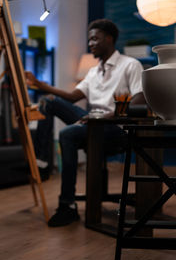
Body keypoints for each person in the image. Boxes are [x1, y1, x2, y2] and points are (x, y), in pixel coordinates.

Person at [25, 18, 146, 227]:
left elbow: (139, 100)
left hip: (116, 129)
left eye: (94, 39)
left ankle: (67, 206)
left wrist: (101, 117)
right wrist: (40, 85)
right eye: (89, 40)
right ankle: (43, 162)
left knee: (67, 134)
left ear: (109, 39)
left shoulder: (130, 65)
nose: (90, 44)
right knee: (48, 101)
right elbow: (72, 97)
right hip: (94, 123)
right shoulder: (93, 71)